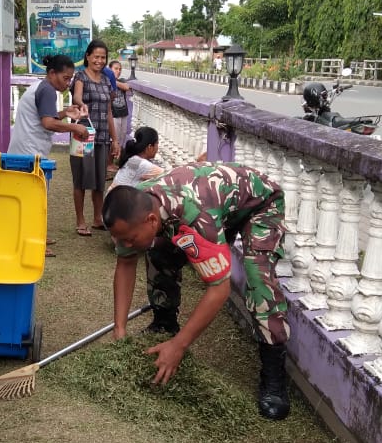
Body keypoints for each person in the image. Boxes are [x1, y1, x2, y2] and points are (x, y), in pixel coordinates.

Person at [102, 163, 291, 420]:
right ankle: (165, 324)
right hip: (218, 204)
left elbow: (219, 289)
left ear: (151, 219)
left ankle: (274, 377)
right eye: (121, 239)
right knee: (158, 249)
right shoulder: (135, 209)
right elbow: (125, 263)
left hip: (259, 204)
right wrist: (119, 329)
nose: (125, 244)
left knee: (258, 275)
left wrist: (180, 347)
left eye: (130, 239)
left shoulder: (195, 216)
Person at [8, 54, 91, 256]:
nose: (68, 82)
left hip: (26, 150)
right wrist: (75, 129)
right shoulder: (47, 91)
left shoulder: (41, 87)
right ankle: (34, 243)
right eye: (65, 78)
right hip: (30, 153)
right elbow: (48, 123)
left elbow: (46, 117)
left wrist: (64, 113)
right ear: (52, 73)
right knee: (33, 199)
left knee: (33, 198)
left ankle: (36, 236)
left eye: (70, 78)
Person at [72, 40, 120, 236]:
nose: (99, 61)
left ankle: (98, 218)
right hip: (83, 135)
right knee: (81, 178)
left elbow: (109, 112)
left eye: (103, 57)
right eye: (96, 57)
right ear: (88, 56)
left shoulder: (107, 81)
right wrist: (81, 104)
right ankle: (80, 220)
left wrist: (114, 139)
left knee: (100, 180)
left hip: (102, 137)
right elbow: (77, 96)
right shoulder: (80, 76)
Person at [106, 60, 132, 153]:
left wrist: (113, 80)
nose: (118, 71)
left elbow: (126, 87)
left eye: (120, 69)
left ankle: (117, 159)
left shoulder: (121, 80)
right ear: (110, 69)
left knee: (122, 137)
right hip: (113, 114)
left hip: (123, 113)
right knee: (114, 139)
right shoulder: (105, 81)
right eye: (116, 69)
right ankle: (110, 162)